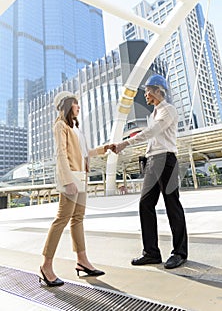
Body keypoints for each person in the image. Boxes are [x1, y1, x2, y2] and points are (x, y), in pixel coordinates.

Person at [112, 74, 188, 269]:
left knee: (172, 205)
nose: (145, 94)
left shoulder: (168, 110)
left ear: (158, 90)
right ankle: (151, 252)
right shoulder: (153, 114)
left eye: (148, 90)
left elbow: (152, 133)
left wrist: (125, 143)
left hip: (167, 160)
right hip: (153, 160)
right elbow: (152, 137)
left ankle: (179, 253)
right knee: (145, 204)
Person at [40, 91, 109, 286]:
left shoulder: (76, 128)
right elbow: (61, 154)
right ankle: (46, 266)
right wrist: (67, 179)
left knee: (78, 219)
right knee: (62, 219)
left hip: (81, 177)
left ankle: (82, 261)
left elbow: (85, 153)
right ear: (68, 105)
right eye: (76, 104)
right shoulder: (60, 125)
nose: (78, 107)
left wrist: (105, 148)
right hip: (71, 177)